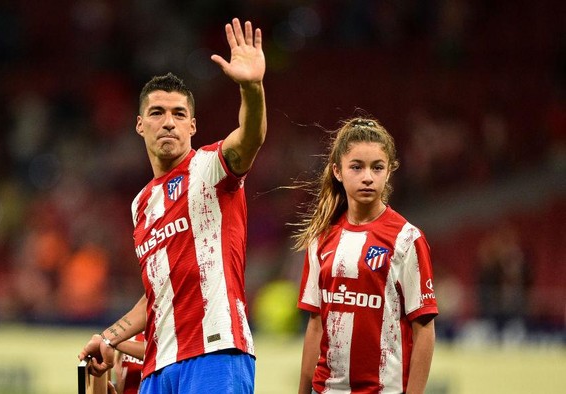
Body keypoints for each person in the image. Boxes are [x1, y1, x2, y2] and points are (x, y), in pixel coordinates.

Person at [78, 17, 266, 394]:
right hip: (159, 366)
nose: (168, 122)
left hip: (217, 351)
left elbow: (250, 137)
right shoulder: (141, 204)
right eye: (157, 113)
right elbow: (159, 293)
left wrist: (252, 89)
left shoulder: (211, 167)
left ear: (193, 126)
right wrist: (110, 337)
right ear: (139, 125)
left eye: (179, 114)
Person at [293, 117, 438, 394]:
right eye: (357, 167)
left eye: (377, 167)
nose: (368, 177)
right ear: (337, 171)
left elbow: (424, 330)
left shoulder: (407, 239)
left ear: (389, 172)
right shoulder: (321, 238)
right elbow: (315, 325)